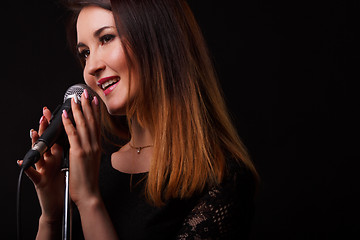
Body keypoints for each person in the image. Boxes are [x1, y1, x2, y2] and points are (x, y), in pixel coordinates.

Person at [19, 0, 259, 239]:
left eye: (106, 38)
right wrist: (52, 216)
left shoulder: (223, 179)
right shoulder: (90, 169)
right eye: (85, 53)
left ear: (158, 40)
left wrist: (89, 200)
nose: (91, 67)